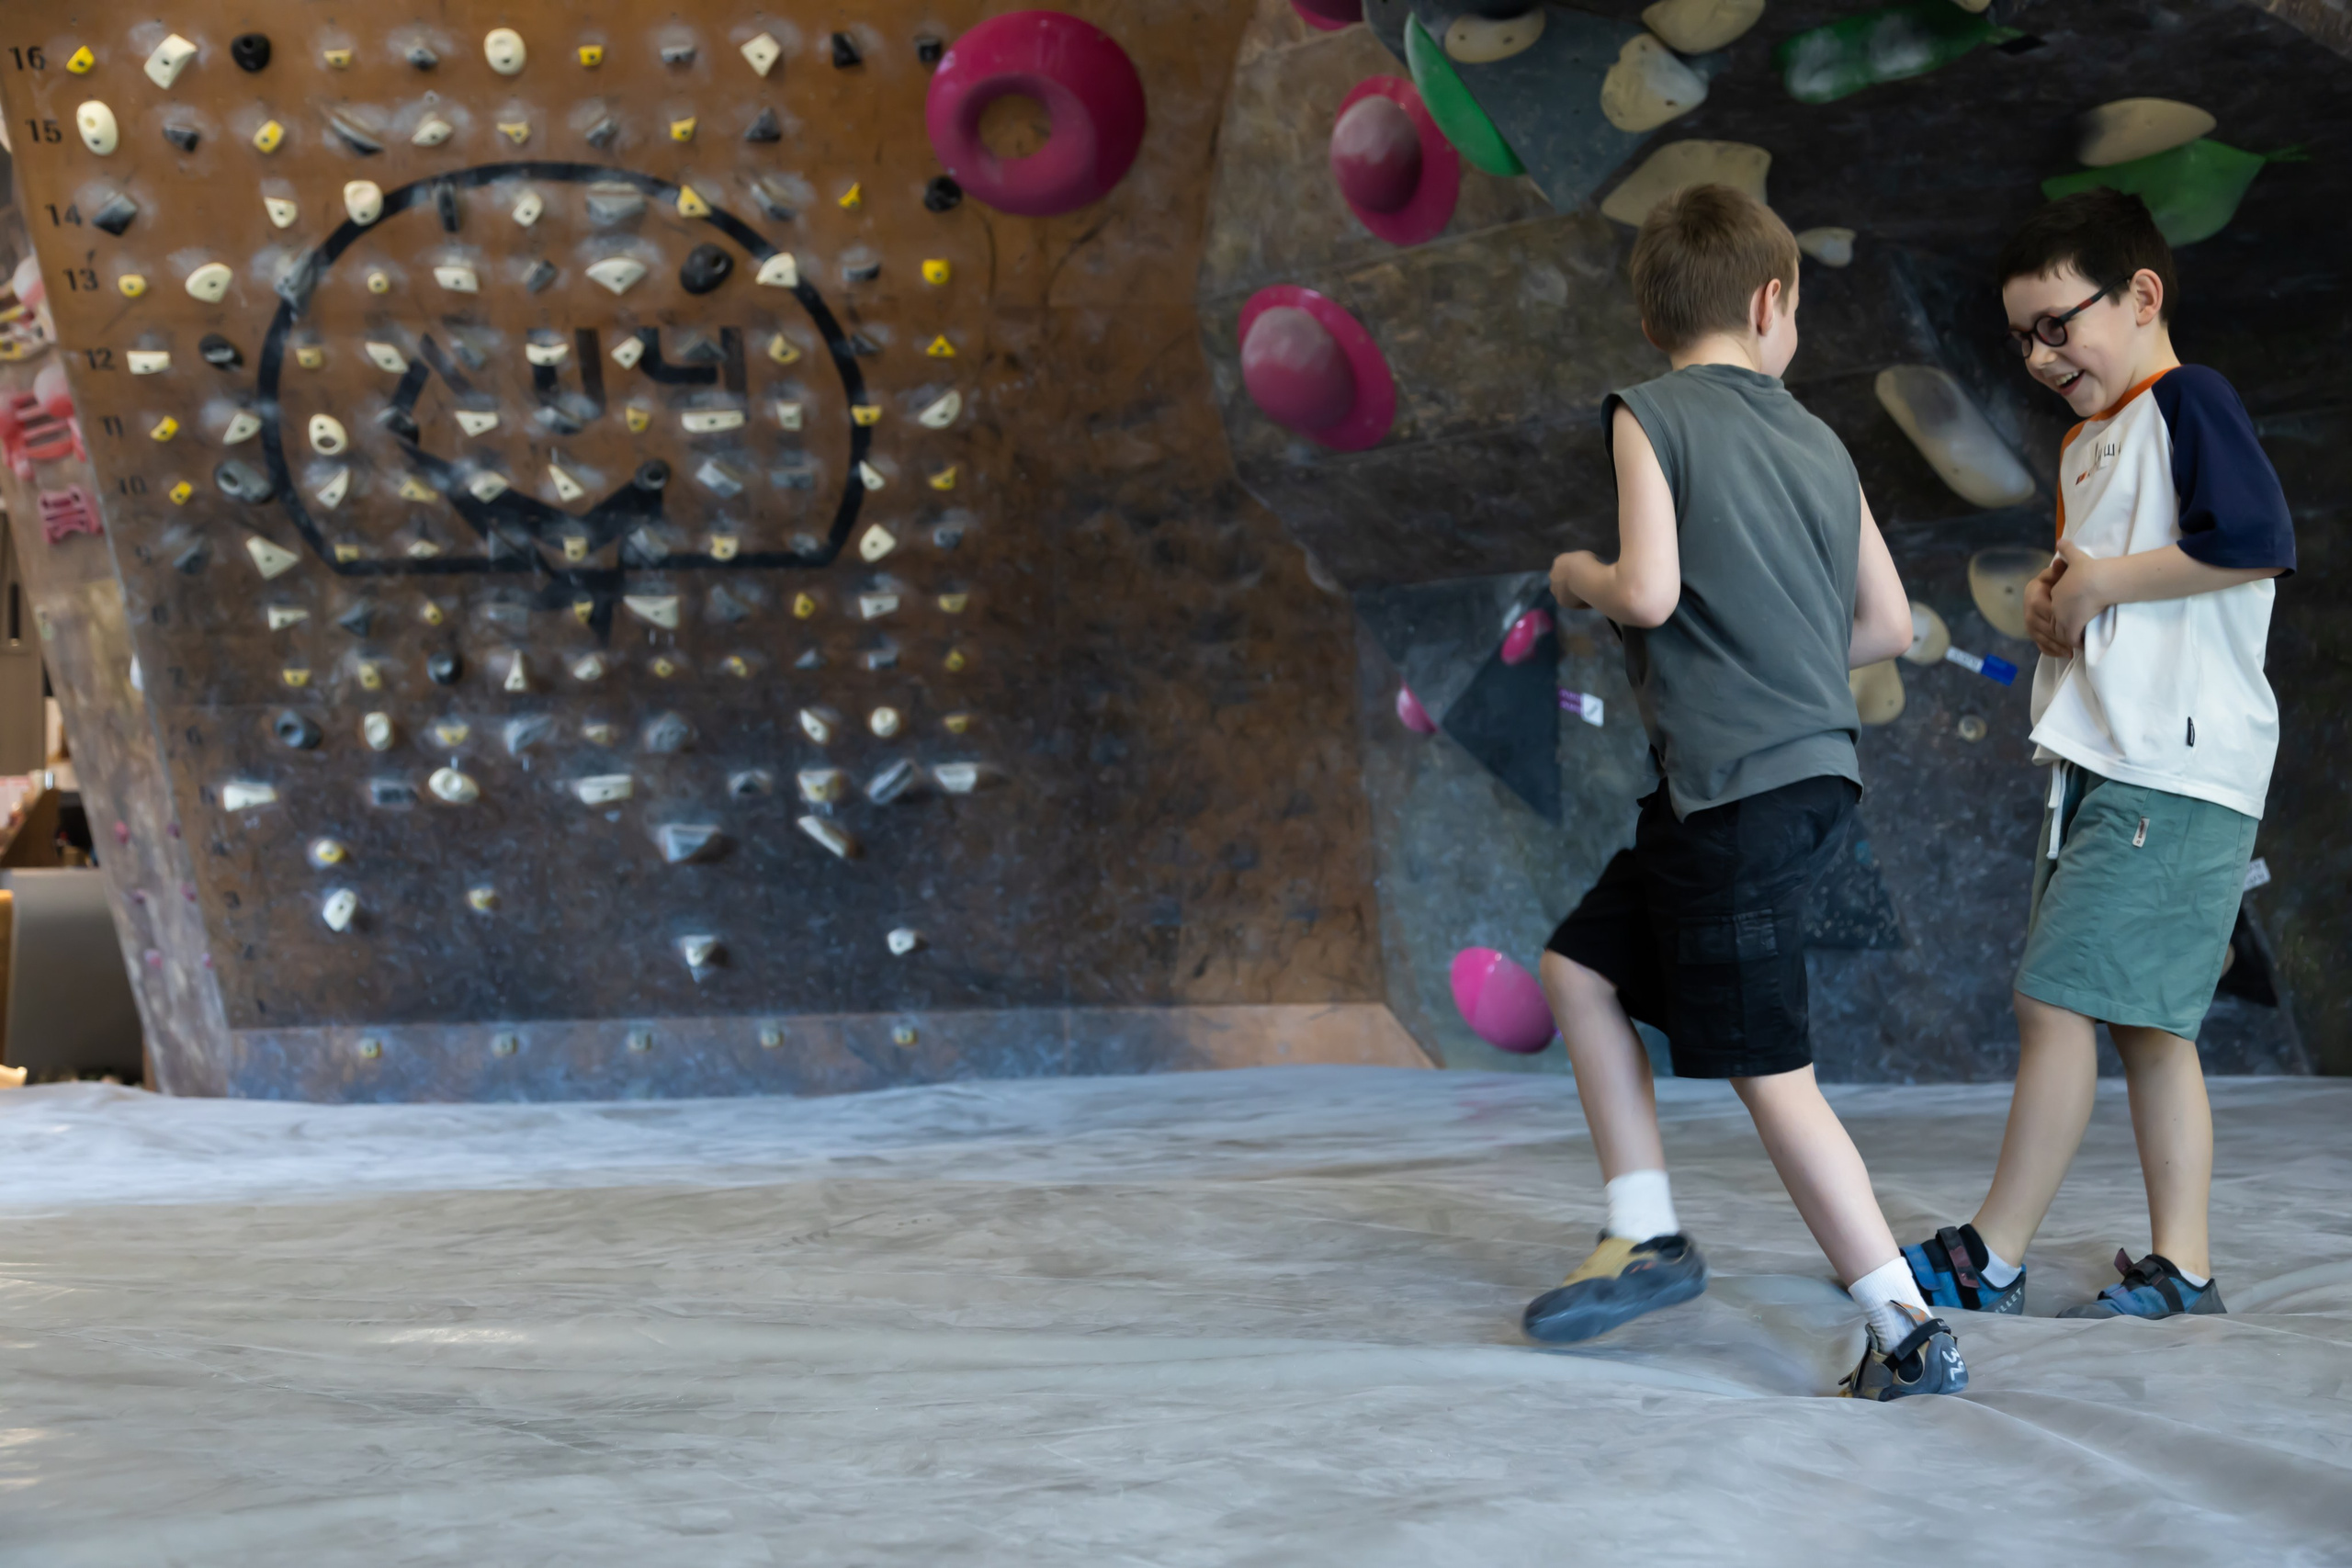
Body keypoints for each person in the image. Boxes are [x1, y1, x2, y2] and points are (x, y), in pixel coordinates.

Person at [1527, 184, 1965, 1400]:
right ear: (1772, 302)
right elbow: (1884, 622)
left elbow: (1652, 592)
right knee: (1581, 964)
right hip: (1794, 780)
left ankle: (1904, 1322)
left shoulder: (1649, 414)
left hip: (1734, 795)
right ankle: (1647, 1228)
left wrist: (1580, 573)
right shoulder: (1818, 439)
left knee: (1772, 1071)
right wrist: (1781, 653)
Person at [1902, 189, 2293, 1322]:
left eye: (2057, 323)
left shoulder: (2190, 401)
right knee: (2144, 1025)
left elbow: (2255, 542)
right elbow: (2111, 577)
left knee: (2053, 1004)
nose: (2037, 354)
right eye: (2020, 336)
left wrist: (2105, 582)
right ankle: (2184, 1267)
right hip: (2105, 761)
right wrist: (2054, 604)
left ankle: (1993, 1254)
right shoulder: (2090, 441)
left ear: (2141, 296)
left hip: (2171, 770)